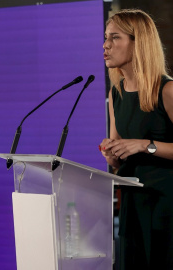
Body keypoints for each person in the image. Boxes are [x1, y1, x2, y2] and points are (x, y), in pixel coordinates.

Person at [100, 9, 173, 270]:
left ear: (138, 42)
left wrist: (145, 145)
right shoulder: (116, 94)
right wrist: (112, 155)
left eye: (115, 37)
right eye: (106, 37)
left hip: (166, 206)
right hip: (133, 206)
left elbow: (142, 147)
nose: (106, 45)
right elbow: (119, 163)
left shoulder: (167, 89)